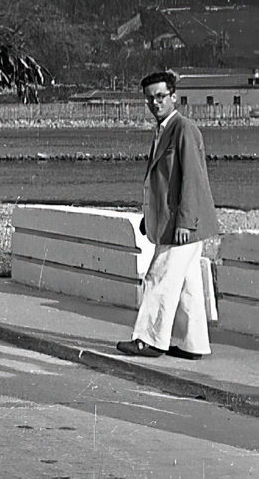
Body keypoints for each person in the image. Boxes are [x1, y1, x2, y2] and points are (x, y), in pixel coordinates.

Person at [116, 71, 220, 360]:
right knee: (187, 285)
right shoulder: (164, 129)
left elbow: (193, 179)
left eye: (160, 96)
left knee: (158, 278)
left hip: (182, 225)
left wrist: (185, 221)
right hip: (175, 222)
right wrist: (150, 216)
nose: (155, 102)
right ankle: (193, 344)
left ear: (174, 97)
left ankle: (148, 340)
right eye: (149, 98)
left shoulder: (184, 129)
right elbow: (164, 183)